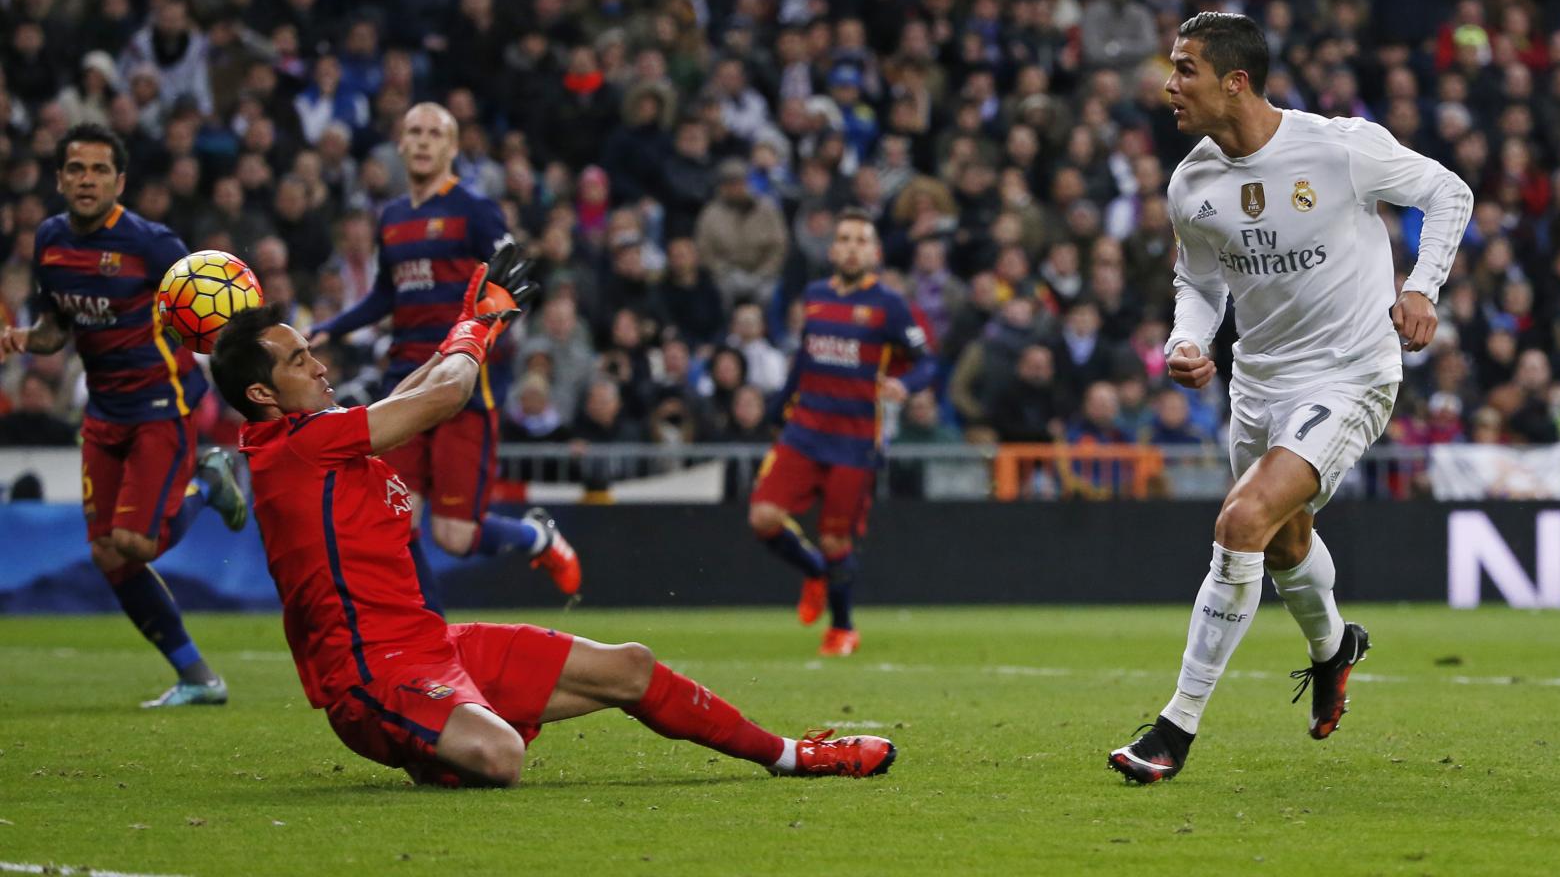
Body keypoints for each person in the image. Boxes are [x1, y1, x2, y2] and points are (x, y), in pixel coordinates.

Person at [210, 264, 896, 787]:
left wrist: (467, 323)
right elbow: (445, 394)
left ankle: (793, 756)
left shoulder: (313, 436)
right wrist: (476, 329)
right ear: (263, 394)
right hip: (370, 675)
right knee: (499, 756)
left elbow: (404, 398)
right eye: (300, 360)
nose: (319, 364)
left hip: (429, 644)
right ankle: (445, 737)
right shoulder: (298, 442)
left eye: (310, 349)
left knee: (630, 666)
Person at [1108, 13, 1470, 784]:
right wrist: (1188, 339)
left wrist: (1421, 285)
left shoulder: (1340, 148)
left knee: (1241, 520)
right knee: (1283, 543)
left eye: (1185, 69)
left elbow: (1448, 193)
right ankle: (1335, 647)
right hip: (1259, 382)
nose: (1169, 85)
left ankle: (1174, 728)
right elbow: (1199, 283)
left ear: (1234, 81)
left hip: (1350, 373)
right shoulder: (1192, 182)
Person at [0, 124, 248, 708]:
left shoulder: (152, 244)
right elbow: (56, 329)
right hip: (104, 412)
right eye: (76, 169)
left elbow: (207, 311)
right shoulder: (51, 241)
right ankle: (197, 677)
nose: (87, 180)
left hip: (161, 405)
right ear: (59, 178)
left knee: (135, 542)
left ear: (120, 181)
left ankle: (207, 483)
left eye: (99, 170)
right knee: (109, 555)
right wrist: (17, 339)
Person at [308, 103, 579, 598]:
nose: (424, 141)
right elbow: (387, 296)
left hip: (460, 383)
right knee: (396, 521)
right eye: (415, 131)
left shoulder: (474, 210)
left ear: (452, 147)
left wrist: (484, 336)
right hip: (405, 383)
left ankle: (536, 537)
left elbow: (512, 282)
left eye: (436, 133)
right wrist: (334, 327)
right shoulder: (390, 217)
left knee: (455, 536)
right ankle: (430, 639)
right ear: (401, 144)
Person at [747, 208, 935, 656]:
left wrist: (904, 385)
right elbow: (805, 360)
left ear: (874, 252)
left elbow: (927, 362)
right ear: (833, 249)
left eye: (860, 240)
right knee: (763, 517)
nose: (851, 247)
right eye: (844, 238)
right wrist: (778, 409)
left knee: (836, 539)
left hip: (854, 443)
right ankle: (813, 571)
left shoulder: (888, 305)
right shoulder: (814, 297)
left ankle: (843, 627)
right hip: (804, 431)